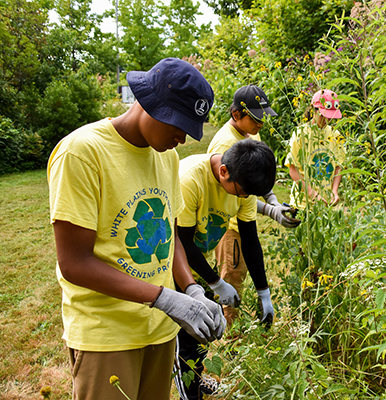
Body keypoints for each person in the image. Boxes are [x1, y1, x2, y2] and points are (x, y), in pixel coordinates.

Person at [47, 57, 225, 400]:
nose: (183, 137)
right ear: (149, 102)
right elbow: (74, 263)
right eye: (178, 123)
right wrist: (162, 297)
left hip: (159, 329)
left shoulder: (166, 156)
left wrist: (190, 289)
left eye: (191, 127)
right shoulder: (82, 153)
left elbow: (168, 234)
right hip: (107, 335)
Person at [174, 139, 277, 400]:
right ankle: (190, 392)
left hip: (196, 264)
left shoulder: (242, 184)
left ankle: (197, 379)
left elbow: (250, 240)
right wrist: (216, 282)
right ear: (223, 172)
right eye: (242, 193)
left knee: (200, 331)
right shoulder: (190, 180)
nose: (244, 199)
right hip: (170, 266)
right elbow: (181, 241)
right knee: (184, 337)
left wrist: (264, 292)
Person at [207, 85, 300, 325]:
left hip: (244, 217)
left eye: (263, 118)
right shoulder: (223, 147)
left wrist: (272, 201)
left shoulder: (249, 134)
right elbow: (236, 194)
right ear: (236, 115)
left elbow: (254, 177)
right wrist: (269, 211)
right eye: (256, 118)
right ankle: (230, 341)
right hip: (228, 227)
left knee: (242, 277)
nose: (260, 124)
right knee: (231, 285)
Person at [285, 89, 346, 208]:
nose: (327, 120)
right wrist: (313, 194)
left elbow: (339, 166)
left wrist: (334, 191)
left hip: (326, 204)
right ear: (314, 110)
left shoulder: (335, 135)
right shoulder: (301, 134)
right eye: (324, 116)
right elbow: (293, 170)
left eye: (330, 117)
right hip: (303, 203)